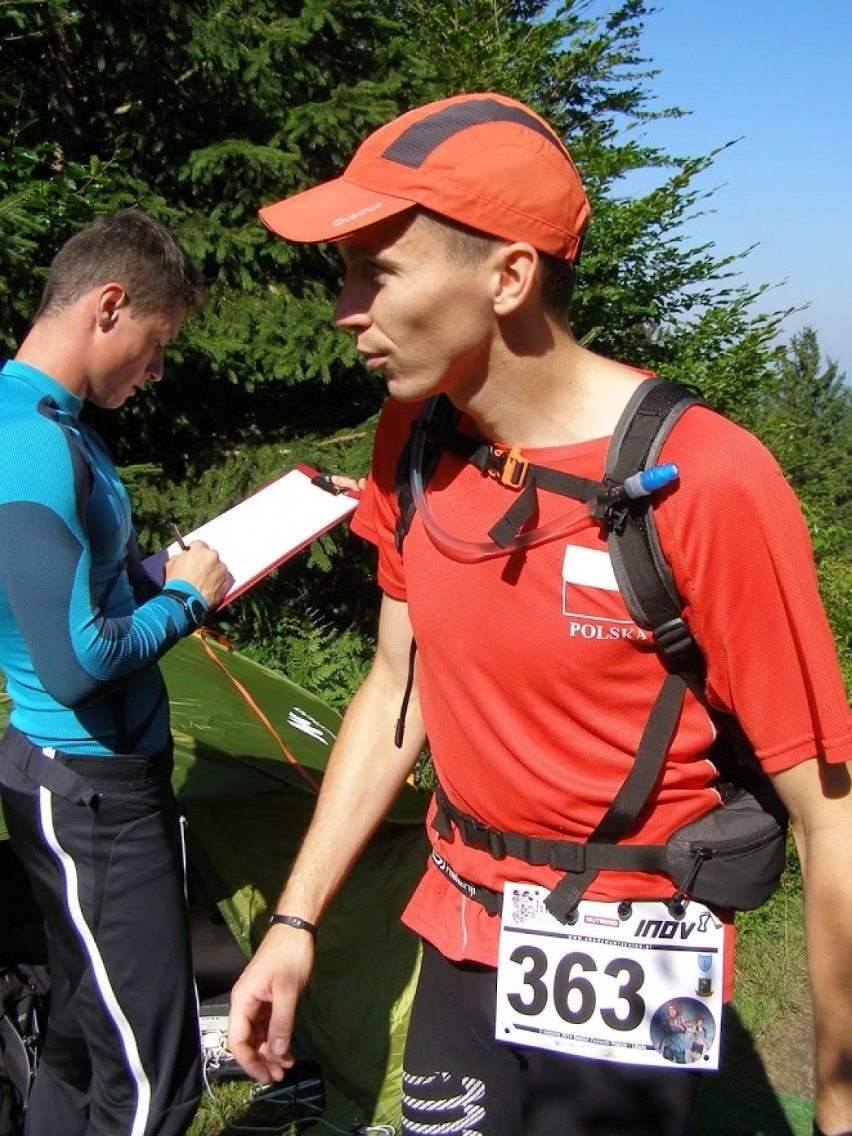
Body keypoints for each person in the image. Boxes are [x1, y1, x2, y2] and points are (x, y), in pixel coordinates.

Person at [228, 93, 852, 1136]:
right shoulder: (412, 441)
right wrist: (295, 920)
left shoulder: (707, 479)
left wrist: (838, 1105)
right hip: (458, 923)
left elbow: (830, 809)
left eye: (374, 271)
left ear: (508, 276)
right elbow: (397, 682)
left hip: (632, 956)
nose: (345, 309)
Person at [0, 209, 230, 1136]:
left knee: (80, 1039)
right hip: (90, 789)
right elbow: (78, 662)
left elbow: (73, 595)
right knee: (150, 1081)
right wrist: (187, 603)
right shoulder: (32, 442)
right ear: (109, 306)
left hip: (67, 779)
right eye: (157, 342)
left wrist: (160, 579)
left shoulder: (48, 422)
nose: (157, 369)